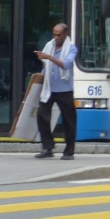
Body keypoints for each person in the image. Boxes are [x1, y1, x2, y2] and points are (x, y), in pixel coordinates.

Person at [35, 22, 79, 160]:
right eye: (54, 34)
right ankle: (47, 147)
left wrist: (49, 57)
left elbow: (66, 64)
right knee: (41, 116)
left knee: (69, 120)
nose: (56, 37)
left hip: (64, 89)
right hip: (49, 88)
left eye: (59, 35)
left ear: (65, 34)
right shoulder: (49, 45)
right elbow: (45, 66)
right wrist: (40, 78)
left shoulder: (71, 48)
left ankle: (69, 151)